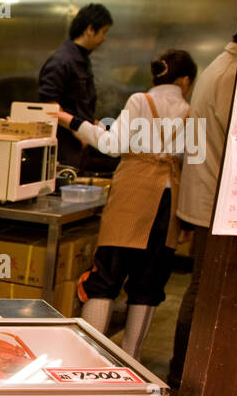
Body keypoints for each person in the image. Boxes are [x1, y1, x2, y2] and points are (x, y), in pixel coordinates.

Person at [60, 49, 198, 358]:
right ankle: (129, 360)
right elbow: (195, 161)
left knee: (106, 276)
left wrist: (72, 121)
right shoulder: (192, 111)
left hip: (133, 195)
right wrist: (189, 217)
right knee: (148, 283)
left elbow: (111, 145)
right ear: (185, 80)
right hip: (169, 201)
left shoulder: (139, 101)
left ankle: (88, 357)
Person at [168, 20, 237, 390]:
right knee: (204, 289)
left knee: (201, 287)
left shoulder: (219, 67)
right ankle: (184, 374)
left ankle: (183, 371)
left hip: (206, 195)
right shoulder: (232, 74)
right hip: (215, 199)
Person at [39, 3, 113, 174]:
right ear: (90, 29)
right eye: (104, 32)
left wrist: (93, 126)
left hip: (79, 148)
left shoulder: (81, 59)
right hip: (65, 148)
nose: (104, 38)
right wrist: (78, 132)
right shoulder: (62, 61)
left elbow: (78, 104)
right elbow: (49, 105)